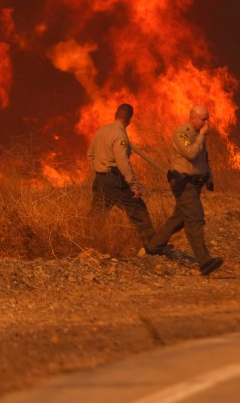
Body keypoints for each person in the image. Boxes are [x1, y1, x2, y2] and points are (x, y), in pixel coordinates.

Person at [147, 105, 224, 275]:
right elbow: (190, 153)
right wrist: (202, 137)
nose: (206, 122)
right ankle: (204, 261)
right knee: (195, 218)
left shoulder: (198, 135)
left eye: (207, 118)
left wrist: (209, 178)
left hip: (195, 184)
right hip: (183, 183)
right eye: (203, 119)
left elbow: (203, 159)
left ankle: (154, 246)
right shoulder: (182, 133)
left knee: (180, 218)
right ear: (193, 118)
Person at [87, 103, 158, 250]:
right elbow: (123, 163)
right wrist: (134, 185)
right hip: (114, 180)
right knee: (137, 208)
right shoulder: (120, 136)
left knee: (97, 213)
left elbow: (90, 155)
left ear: (115, 115)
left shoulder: (102, 130)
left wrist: (99, 171)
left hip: (100, 180)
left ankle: (89, 243)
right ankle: (153, 246)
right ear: (129, 120)